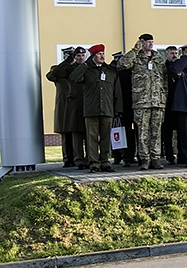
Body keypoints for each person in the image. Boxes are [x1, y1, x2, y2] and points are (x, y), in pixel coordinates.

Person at [117, 33, 168, 170]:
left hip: (157, 101)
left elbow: (164, 79)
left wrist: (163, 98)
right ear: (141, 42)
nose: (151, 44)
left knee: (156, 132)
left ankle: (155, 158)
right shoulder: (136, 57)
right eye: (148, 42)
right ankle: (144, 159)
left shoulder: (158, 58)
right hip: (141, 101)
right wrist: (135, 50)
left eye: (152, 41)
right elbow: (122, 65)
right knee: (142, 132)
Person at [70, 44, 122, 172]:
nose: (102, 56)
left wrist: (118, 109)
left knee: (105, 137)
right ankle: (94, 163)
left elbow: (117, 91)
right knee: (92, 138)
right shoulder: (87, 70)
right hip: (91, 109)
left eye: (103, 53)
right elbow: (74, 77)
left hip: (107, 109)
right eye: (99, 54)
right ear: (93, 56)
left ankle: (105, 162)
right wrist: (86, 64)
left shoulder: (110, 71)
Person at [46, 47, 80, 167]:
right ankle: (67, 159)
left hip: (76, 105)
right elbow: (52, 75)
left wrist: (73, 64)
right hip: (64, 106)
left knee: (77, 134)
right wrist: (66, 62)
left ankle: (78, 158)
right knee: (66, 134)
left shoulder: (77, 69)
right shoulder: (57, 69)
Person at [111, 51, 137, 167]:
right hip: (121, 106)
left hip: (130, 105)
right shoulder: (113, 71)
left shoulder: (130, 71)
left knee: (127, 133)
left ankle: (128, 156)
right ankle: (120, 156)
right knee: (120, 132)